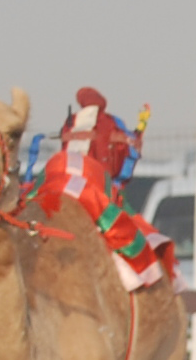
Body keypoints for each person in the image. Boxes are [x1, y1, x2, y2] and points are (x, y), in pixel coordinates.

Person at [32, 88, 178, 289]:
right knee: (129, 238)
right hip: (99, 194)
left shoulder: (72, 124)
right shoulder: (112, 125)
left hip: (62, 190)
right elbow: (124, 162)